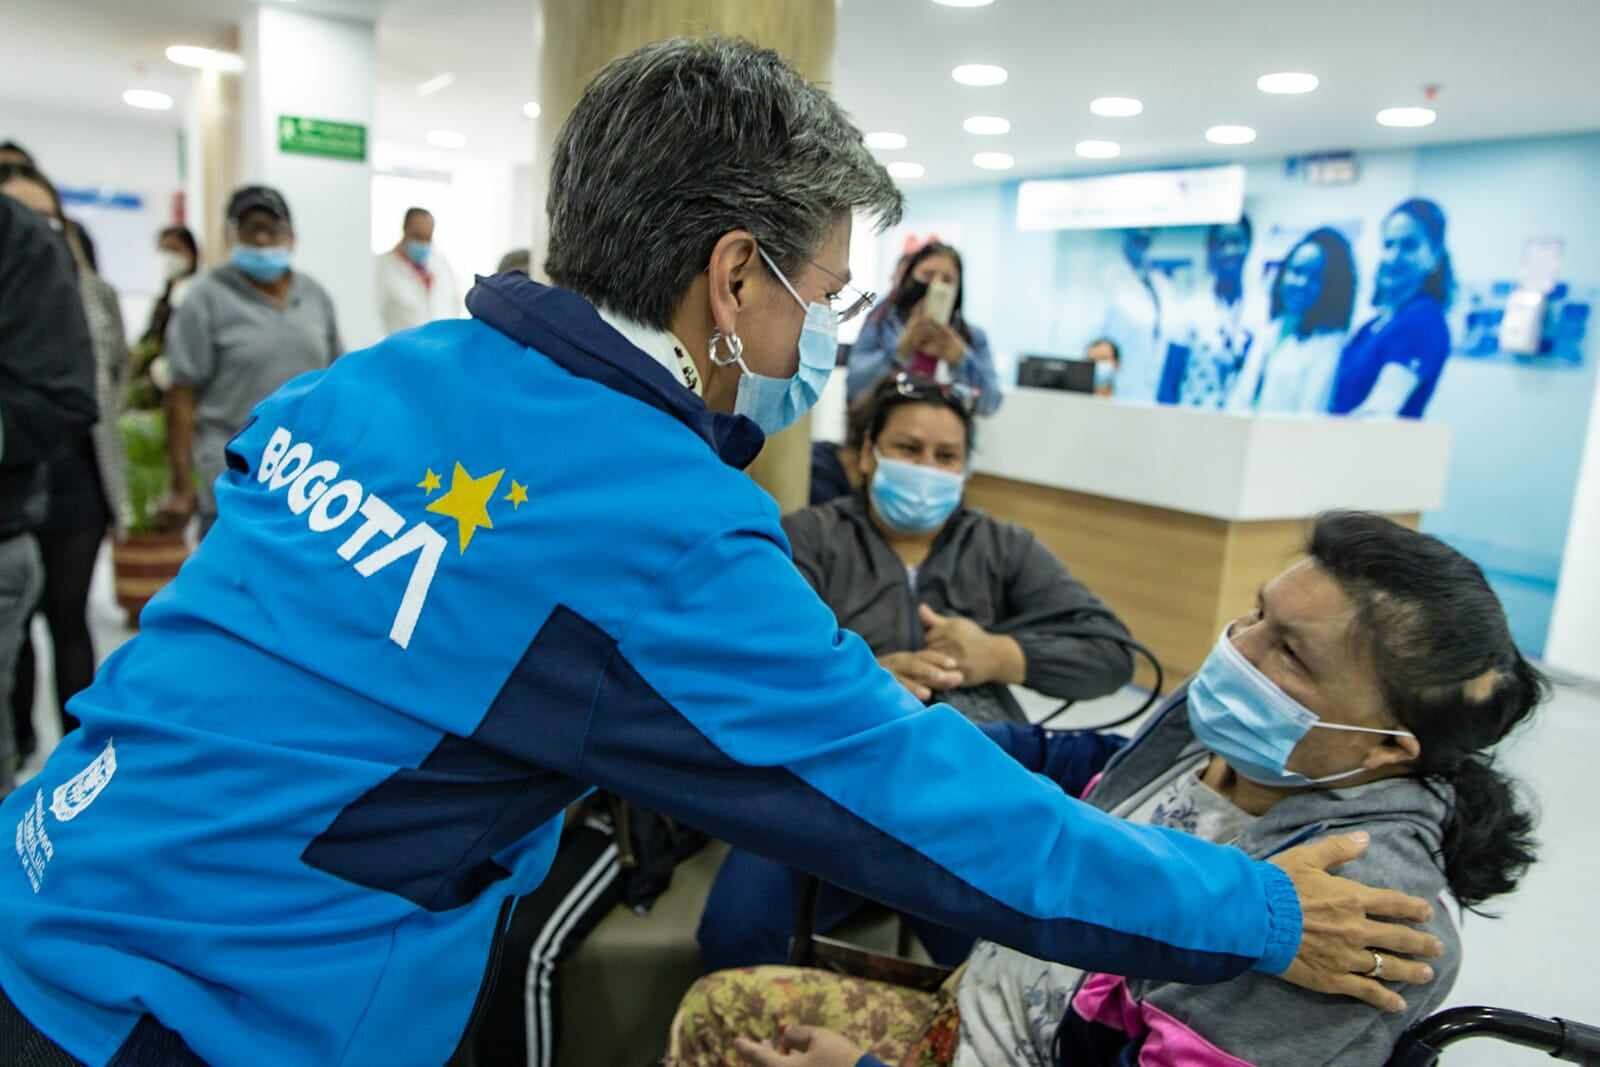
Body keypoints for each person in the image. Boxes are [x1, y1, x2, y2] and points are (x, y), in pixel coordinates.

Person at [0, 39, 1439, 1067]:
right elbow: (925, 812)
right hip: (196, 1007)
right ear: (735, 277)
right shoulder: (658, 524)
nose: (832, 334)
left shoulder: (397, 368)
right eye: (825, 294)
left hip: (54, 864)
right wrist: (1251, 903)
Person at [672, 512, 1545, 1067]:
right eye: (1256, 613)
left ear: (1391, 745)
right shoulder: (1225, 740)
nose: (1236, 648)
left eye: (1290, 653)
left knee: (724, 1022)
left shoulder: (1357, 905)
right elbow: (1087, 765)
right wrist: (916, 729)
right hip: (979, 1010)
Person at [698, 372, 1135, 970]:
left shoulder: (1001, 547)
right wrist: (862, 676)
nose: (927, 467)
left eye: (946, 455)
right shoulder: (811, 536)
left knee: (1003, 967)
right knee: (736, 935)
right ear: (865, 456)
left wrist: (1001, 656)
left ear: (965, 469)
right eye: (908, 449)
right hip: (836, 782)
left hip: (967, 783)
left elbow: (1112, 654)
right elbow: (753, 662)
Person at [0, 166, 129, 762]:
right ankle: (21, 739)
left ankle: (78, 749)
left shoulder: (89, 291)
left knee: (68, 618)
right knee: (19, 635)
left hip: (76, 475)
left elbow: (107, 382)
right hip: (21, 486)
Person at [159, 184, 341, 539]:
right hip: (232, 472)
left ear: (290, 237)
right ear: (231, 236)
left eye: (270, 228)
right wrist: (182, 485)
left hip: (305, 476)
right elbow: (181, 394)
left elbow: (336, 379)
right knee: (232, 585)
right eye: (249, 228)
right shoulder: (205, 298)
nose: (260, 238)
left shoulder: (315, 295)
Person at [0, 193, 98, 797]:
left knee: (65, 624)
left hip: (63, 491)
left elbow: (82, 399)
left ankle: (71, 756)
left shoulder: (26, 252)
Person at [1329, 199, 1454, 418]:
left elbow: (1379, 410)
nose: (1393, 257)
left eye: (1409, 246)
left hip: (1366, 448)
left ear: (1434, 257)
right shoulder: (1372, 326)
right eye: (1388, 245)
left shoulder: (1424, 320)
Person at [846, 242, 1001, 415]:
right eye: (928, 275)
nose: (936, 285)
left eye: (947, 280)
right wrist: (902, 350)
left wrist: (960, 359)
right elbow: (854, 388)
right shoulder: (880, 324)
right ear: (909, 277)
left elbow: (990, 404)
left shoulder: (972, 337)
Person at [1229, 228, 1357, 414]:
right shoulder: (1269, 331)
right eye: (1296, 271)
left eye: (1315, 278)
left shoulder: (1329, 345)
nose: (1301, 283)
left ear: (1330, 286)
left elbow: (1310, 416)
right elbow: (1240, 397)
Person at [1159, 217, 1257, 408]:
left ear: (1249, 246)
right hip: (1192, 421)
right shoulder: (1190, 308)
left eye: (1236, 242)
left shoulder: (1260, 310)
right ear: (1211, 251)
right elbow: (1168, 385)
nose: (1229, 251)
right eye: (1221, 244)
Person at [1092, 227, 1175, 404]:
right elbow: (1094, 348)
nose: (1144, 233)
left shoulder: (1161, 283)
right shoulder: (1107, 278)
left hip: (1153, 397)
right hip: (1118, 396)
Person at [127, 225, 201, 409]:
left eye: (175, 250)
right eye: (164, 250)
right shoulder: (164, 297)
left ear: (191, 252)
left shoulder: (199, 293)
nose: (168, 257)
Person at [376, 206, 462, 335]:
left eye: (427, 237)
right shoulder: (381, 267)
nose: (422, 243)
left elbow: (454, 304)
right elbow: (373, 316)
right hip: (399, 351)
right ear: (405, 230)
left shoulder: (441, 265)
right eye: (417, 236)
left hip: (440, 348)